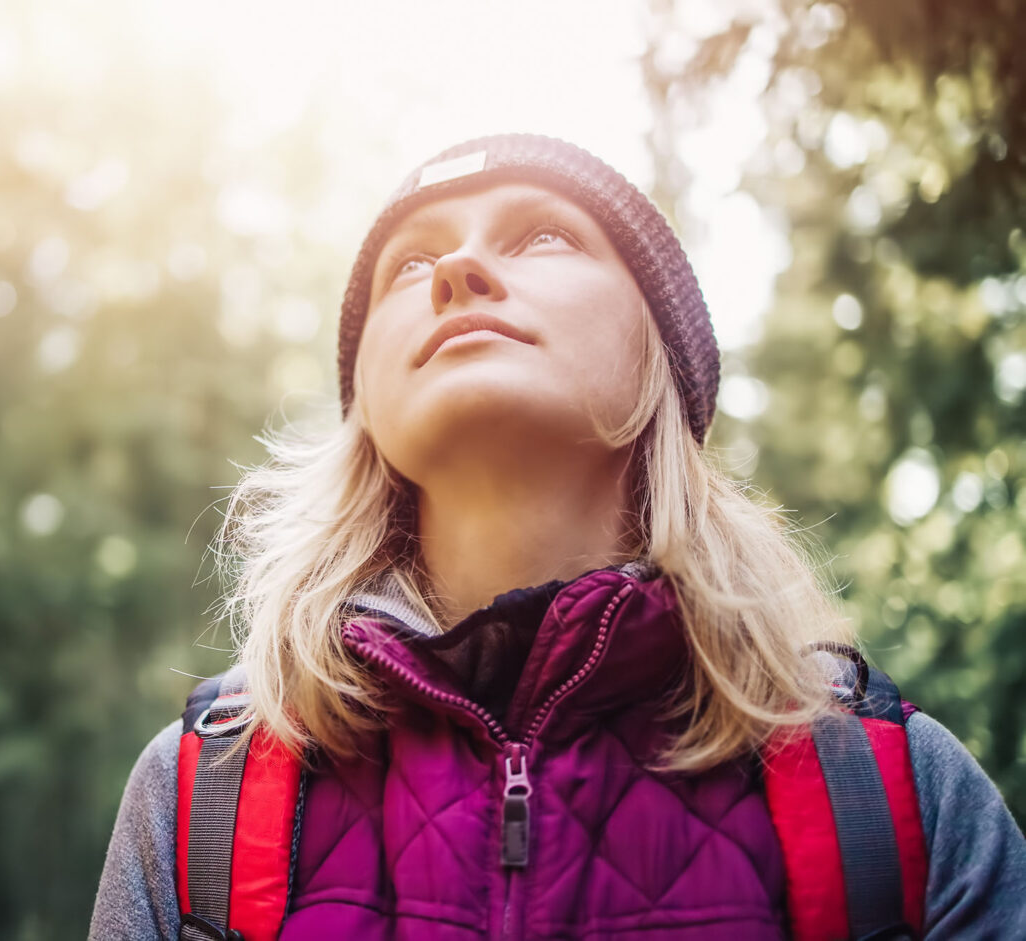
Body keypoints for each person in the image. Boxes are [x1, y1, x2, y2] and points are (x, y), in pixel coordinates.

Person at [90, 134, 1026, 940]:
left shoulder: (893, 792)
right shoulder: (201, 802)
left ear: (657, 355)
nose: (457, 273)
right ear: (366, 400)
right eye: (408, 266)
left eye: (544, 235)